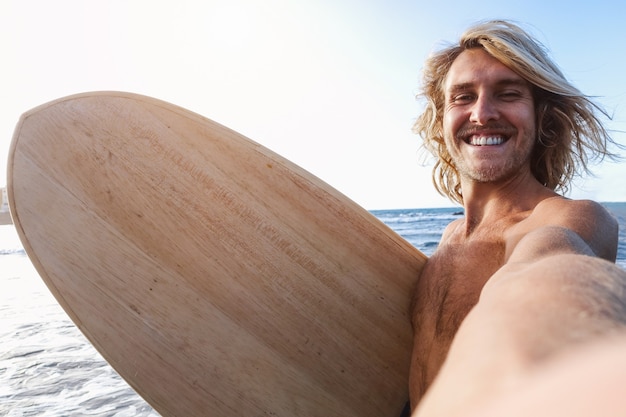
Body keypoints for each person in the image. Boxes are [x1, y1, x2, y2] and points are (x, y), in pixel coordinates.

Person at [408, 20, 626, 416]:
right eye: (462, 97)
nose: (483, 113)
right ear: (441, 119)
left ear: (541, 117)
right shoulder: (448, 239)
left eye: (508, 94)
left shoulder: (571, 218)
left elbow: (546, 275)